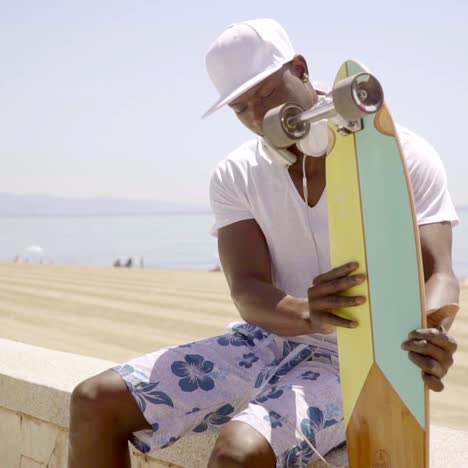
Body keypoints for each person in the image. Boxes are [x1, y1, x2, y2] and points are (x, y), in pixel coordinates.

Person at [67, 19, 460, 468]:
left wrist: (429, 330)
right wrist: (307, 312)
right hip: (266, 339)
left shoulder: (404, 155)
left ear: (301, 68)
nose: (257, 117)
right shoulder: (236, 174)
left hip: (355, 359)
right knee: (94, 400)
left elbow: (440, 273)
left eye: (267, 93)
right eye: (241, 107)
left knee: (238, 453)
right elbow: (247, 289)